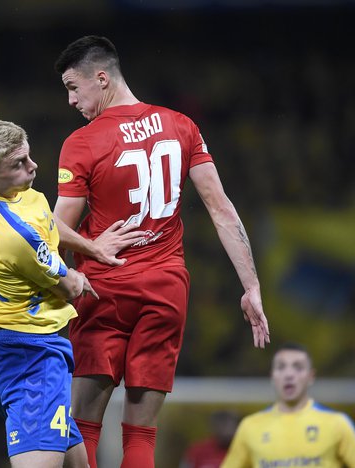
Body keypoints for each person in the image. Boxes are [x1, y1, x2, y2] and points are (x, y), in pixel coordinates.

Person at [52, 35, 270, 468]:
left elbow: (52, 231)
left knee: (84, 427)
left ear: (101, 78)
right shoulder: (181, 125)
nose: (72, 101)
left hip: (104, 290)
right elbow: (221, 208)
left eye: (74, 88)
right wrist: (251, 286)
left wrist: (93, 246)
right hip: (166, 290)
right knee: (141, 433)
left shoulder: (83, 142)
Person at [0, 118, 97, 468]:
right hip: (31, 357)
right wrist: (82, 275)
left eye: (28, 156)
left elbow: (45, 220)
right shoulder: (17, 239)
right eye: (18, 164)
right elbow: (69, 288)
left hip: (0, 346)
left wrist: (91, 247)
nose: (33, 167)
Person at [221, 343, 355, 468]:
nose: (289, 374)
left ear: (311, 377)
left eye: (298, 367)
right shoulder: (250, 426)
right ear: (272, 376)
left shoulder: (337, 423)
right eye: (281, 367)